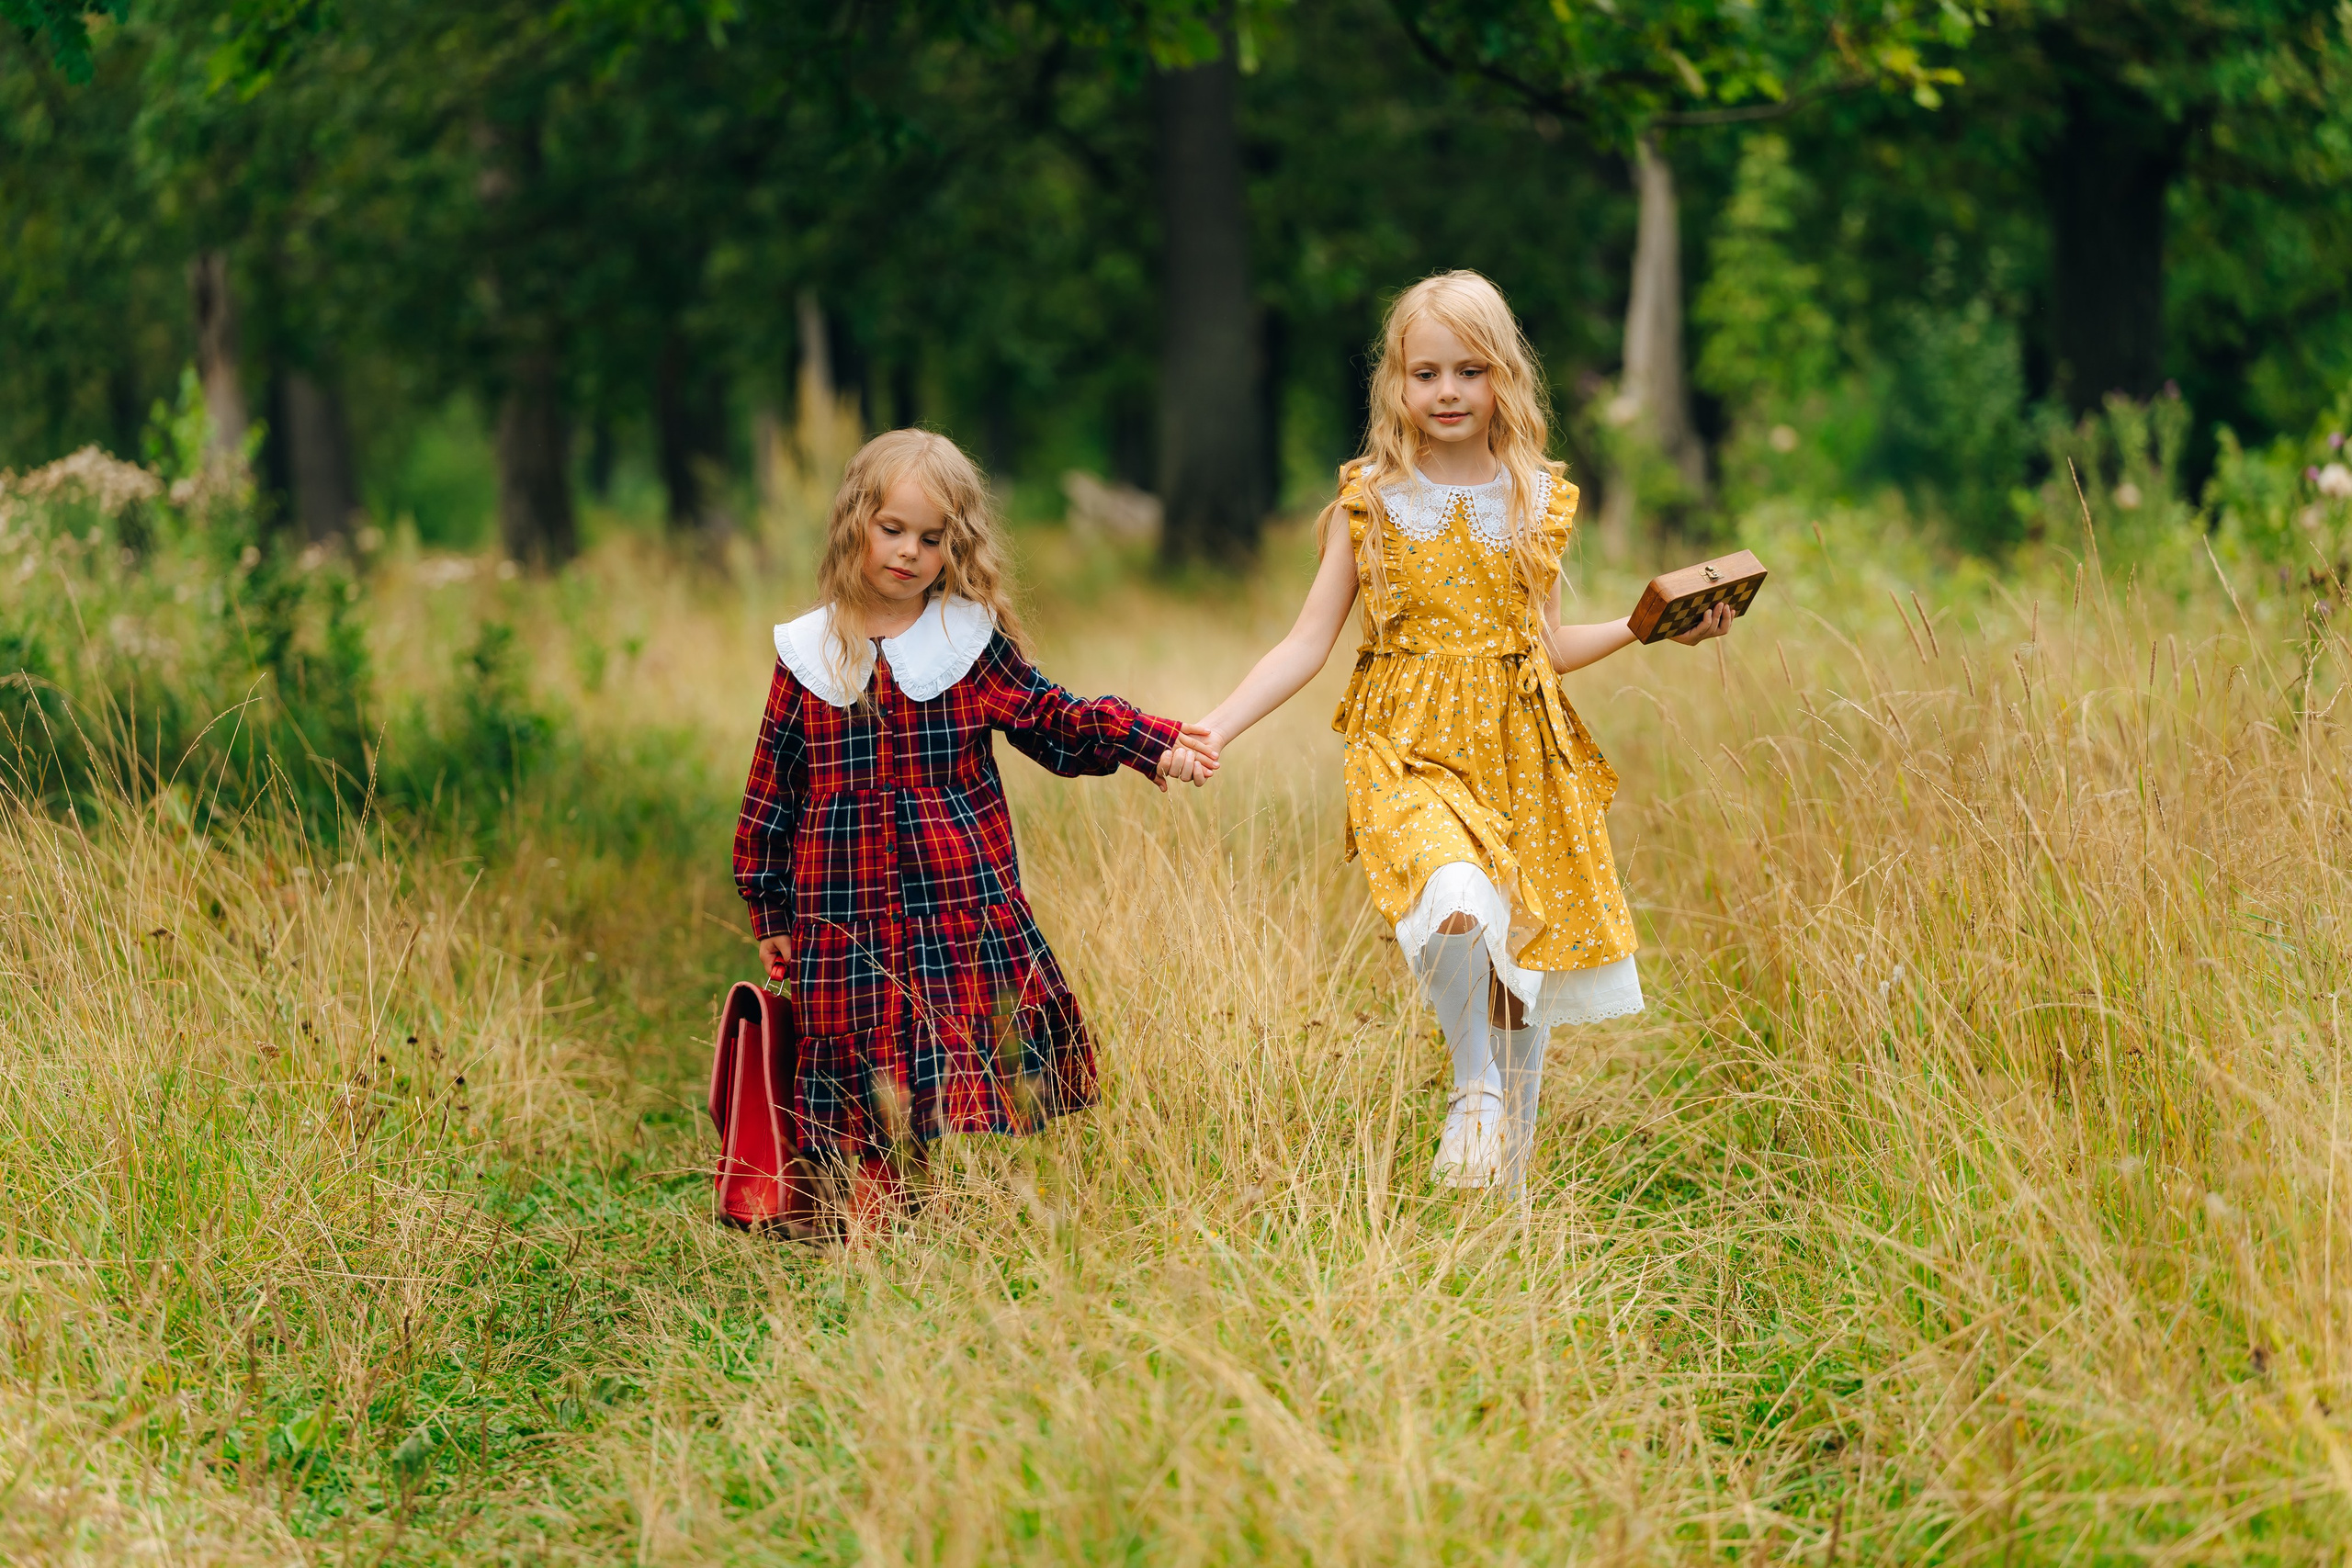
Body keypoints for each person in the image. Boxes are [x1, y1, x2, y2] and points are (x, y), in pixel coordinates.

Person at [1180, 271, 1733, 1193]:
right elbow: (1306, 641)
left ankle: (1506, 1173)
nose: (1444, 393)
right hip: (1405, 749)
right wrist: (1216, 727)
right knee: (1456, 902)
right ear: (1394, 385)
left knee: (1520, 947)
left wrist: (1646, 628)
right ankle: (1472, 1088)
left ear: (1500, 378)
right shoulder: (1370, 501)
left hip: (1524, 752)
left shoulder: (1535, 499)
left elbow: (1545, 646)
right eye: (1423, 373)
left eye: (1466, 372)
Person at [732, 429, 1211, 1214]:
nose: (908, 553)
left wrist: (1146, 741)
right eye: (893, 529)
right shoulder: (808, 652)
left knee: (930, 1045)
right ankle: (870, 1195)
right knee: (857, 1045)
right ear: (856, 519)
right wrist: (768, 904)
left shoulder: (963, 640)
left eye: (931, 538)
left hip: (950, 899)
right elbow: (771, 790)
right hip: (838, 909)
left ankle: (895, 1195)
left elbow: (1053, 719)